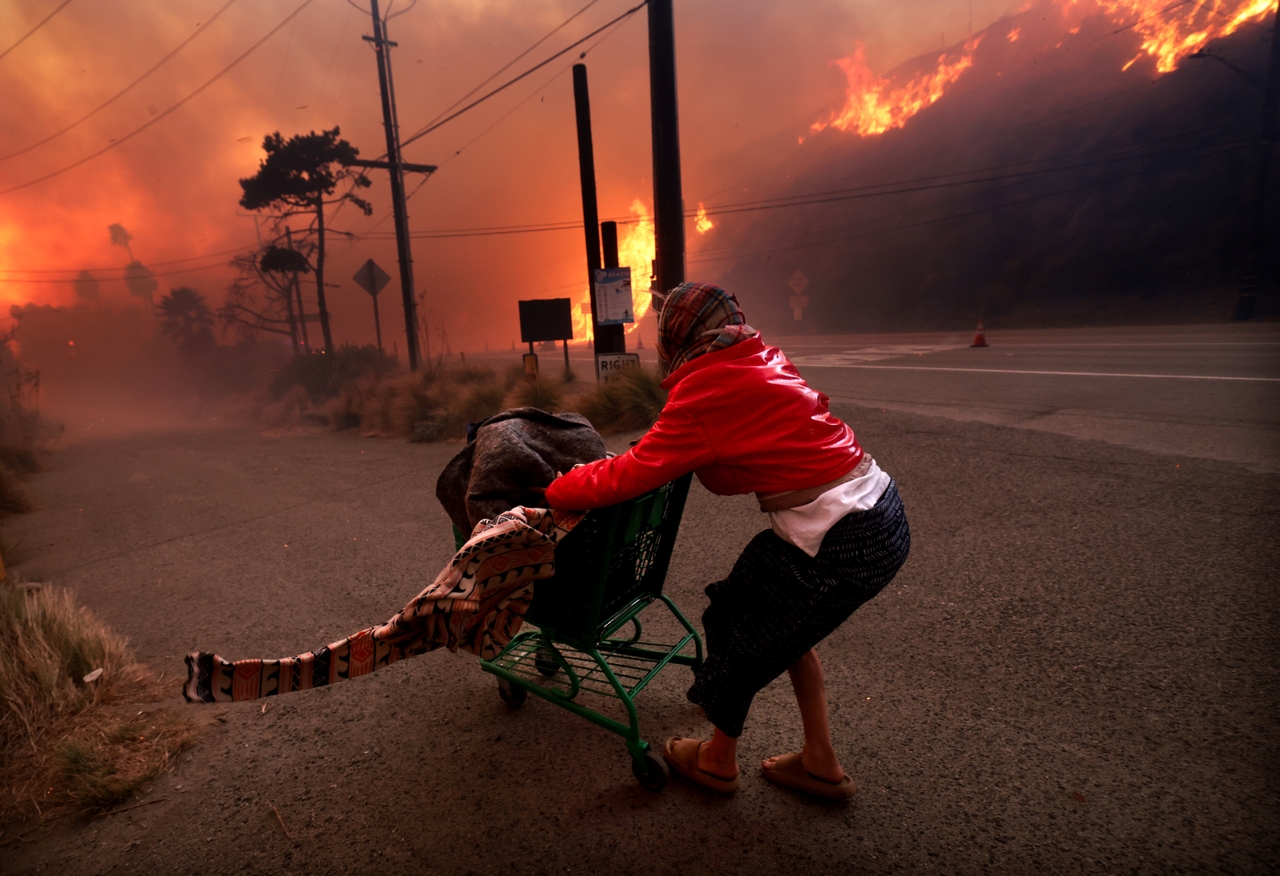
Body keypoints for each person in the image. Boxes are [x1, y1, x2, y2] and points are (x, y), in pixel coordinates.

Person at [545, 282, 911, 799]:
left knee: (739, 622)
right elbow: (737, 463)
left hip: (839, 535)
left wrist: (556, 486)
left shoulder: (702, 392)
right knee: (787, 628)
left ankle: (718, 760)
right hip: (881, 509)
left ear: (679, 335)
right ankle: (820, 761)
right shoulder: (759, 357)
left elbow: (626, 476)